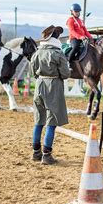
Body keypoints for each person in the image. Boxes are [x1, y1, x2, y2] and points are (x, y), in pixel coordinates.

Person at [30, 25, 70, 165]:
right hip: (53, 86)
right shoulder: (58, 53)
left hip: (39, 84)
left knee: (39, 120)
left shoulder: (37, 52)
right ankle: (47, 155)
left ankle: (36, 153)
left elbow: (32, 71)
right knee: (51, 121)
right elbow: (65, 74)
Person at [66, 3, 93, 71]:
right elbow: (72, 31)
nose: (77, 13)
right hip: (74, 39)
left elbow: (85, 31)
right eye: (76, 12)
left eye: (78, 12)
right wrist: (80, 37)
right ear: (72, 12)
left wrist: (91, 37)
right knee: (76, 47)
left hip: (82, 38)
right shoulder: (70, 20)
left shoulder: (81, 21)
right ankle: (68, 61)